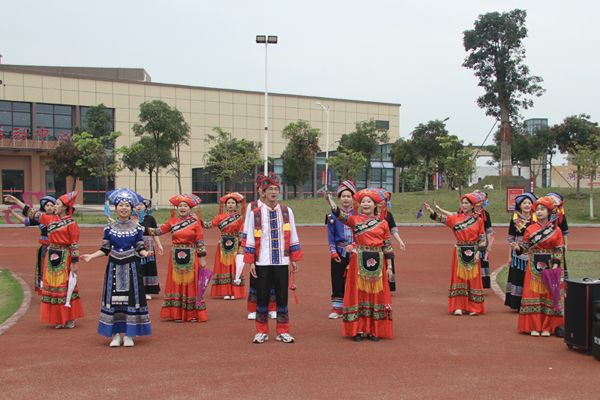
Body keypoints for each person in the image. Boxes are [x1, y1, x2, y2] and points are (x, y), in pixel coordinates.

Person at [80, 189, 151, 347]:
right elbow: (105, 249)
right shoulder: (109, 228)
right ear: (116, 208)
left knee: (131, 300)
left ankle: (129, 335)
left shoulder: (137, 228)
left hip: (132, 269)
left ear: (131, 208)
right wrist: (91, 256)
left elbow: (140, 247)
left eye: (127, 205)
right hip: (114, 268)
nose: (123, 208)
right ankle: (116, 336)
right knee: (114, 300)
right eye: (120, 205)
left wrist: (146, 253)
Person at [5, 192, 83, 328]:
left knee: (64, 286)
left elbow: (74, 244)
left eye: (57, 204)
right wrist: (16, 201)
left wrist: (75, 263)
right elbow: (31, 213)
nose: (55, 206)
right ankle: (58, 318)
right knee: (52, 286)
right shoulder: (49, 219)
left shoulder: (72, 223)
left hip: (65, 256)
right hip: (50, 255)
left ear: (65, 207)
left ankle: (68, 318)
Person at [326, 188, 394, 341]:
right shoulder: (354, 220)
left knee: (376, 295)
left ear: (375, 205)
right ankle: (359, 329)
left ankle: (374, 330)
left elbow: (388, 246)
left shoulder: (383, 223)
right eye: (363, 202)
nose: (366, 204)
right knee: (359, 294)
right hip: (358, 261)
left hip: (378, 261)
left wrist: (389, 267)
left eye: (369, 201)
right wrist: (331, 202)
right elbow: (340, 215)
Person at [244, 172, 302, 344]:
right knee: (262, 297)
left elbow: (293, 234)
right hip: (262, 261)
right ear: (263, 192)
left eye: (276, 189)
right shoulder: (255, 212)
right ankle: (261, 331)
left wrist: (294, 259)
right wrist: (251, 261)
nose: (273, 192)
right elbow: (250, 237)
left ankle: (283, 331)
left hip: (281, 261)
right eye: (270, 189)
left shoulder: (286, 211)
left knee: (282, 297)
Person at [145, 194, 208, 323]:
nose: (182, 208)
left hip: (191, 255)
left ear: (190, 209)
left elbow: (200, 241)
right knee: (176, 283)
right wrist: (139, 228)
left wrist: (202, 258)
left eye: (185, 206)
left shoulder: (195, 222)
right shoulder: (172, 222)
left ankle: (192, 313)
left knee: (191, 283)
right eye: (180, 206)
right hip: (176, 257)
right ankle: (177, 313)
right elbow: (157, 231)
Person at [424, 193, 487, 316]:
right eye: (462, 203)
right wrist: (431, 210)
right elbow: (441, 218)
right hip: (459, 251)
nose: (464, 205)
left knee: (473, 279)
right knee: (459, 278)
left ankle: (474, 307)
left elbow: (483, 240)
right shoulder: (455, 218)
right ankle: (458, 306)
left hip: (474, 251)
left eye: (466, 203)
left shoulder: (479, 220)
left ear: (472, 205)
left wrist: (478, 252)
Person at [511, 196, 564, 336]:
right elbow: (525, 247)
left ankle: (547, 327)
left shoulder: (556, 230)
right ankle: (534, 326)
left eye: (542, 209)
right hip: (533, 265)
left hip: (550, 265)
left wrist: (555, 266)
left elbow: (558, 249)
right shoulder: (530, 228)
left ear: (549, 212)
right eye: (537, 210)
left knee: (548, 295)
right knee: (533, 294)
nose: (539, 212)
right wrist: (518, 248)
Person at [4, 194, 56, 294]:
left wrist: (16, 201)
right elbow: (25, 220)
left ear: (55, 207)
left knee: (55, 267)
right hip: (43, 247)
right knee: (42, 267)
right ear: (44, 207)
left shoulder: (58, 218)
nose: (49, 207)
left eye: (52, 205)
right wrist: (12, 212)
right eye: (47, 205)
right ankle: (43, 287)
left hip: (56, 248)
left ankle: (55, 287)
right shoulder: (41, 218)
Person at [242, 175, 277, 320]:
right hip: (257, 248)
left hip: (273, 247)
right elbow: (247, 228)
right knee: (256, 278)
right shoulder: (252, 206)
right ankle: (253, 308)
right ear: (259, 190)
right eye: (262, 189)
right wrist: (245, 248)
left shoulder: (276, 206)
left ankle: (272, 307)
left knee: (274, 279)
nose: (264, 191)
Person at [203, 192, 246, 300]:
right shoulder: (220, 217)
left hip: (235, 244)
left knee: (235, 266)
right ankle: (226, 291)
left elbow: (241, 232)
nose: (230, 205)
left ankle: (235, 291)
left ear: (236, 205)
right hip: (223, 245)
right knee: (224, 267)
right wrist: (198, 220)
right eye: (228, 203)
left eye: (232, 203)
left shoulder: (239, 218)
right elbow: (208, 225)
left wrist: (241, 245)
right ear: (225, 205)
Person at [325, 180, 357, 319]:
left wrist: (354, 245)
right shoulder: (332, 216)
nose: (346, 199)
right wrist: (333, 252)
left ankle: (353, 306)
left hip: (355, 251)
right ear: (339, 198)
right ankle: (337, 308)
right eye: (343, 196)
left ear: (353, 198)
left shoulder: (358, 215)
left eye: (348, 196)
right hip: (339, 251)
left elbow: (361, 233)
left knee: (355, 279)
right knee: (337, 278)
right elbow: (331, 236)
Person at [505, 193, 537, 310]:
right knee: (518, 277)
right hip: (517, 254)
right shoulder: (515, 220)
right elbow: (511, 239)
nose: (527, 205)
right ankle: (517, 303)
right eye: (524, 203)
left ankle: (530, 301)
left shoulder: (536, 219)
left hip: (532, 252)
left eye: (529, 203)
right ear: (520, 205)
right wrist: (509, 256)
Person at [135, 199, 163, 299]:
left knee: (148, 268)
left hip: (148, 246)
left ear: (146, 207)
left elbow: (154, 233)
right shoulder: (130, 218)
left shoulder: (150, 218)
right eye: (136, 205)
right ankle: (136, 290)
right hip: (135, 246)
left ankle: (147, 291)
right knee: (136, 267)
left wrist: (159, 245)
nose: (139, 206)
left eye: (141, 205)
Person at [379, 189, 406, 292]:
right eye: (380, 199)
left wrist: (400, 241)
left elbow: (393, 230)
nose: (382, 202)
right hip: (373, 244)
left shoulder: (389, 215)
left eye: (384, 200)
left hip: (386, 244)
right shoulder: (369, 214)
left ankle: (390, 286)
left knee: (389, 264)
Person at [473, 191, 493, 289]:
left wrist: (489, 245)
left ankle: (482, 284)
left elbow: (489, 230)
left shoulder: (486, 214)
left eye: (480, 200)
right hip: (470, 240)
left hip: (482, 241)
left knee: (482, 261)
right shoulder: (467, 212)